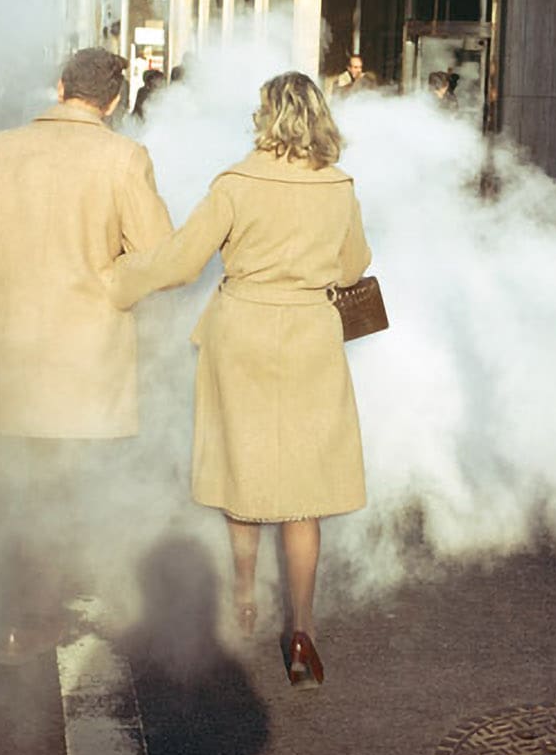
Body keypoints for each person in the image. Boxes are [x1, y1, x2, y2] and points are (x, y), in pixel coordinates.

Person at [107, 72, 371, 688]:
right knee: (304, 492)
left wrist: (116, 280)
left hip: (242, 332)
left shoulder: (234, 183)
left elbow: (179, 261)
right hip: (310, 334)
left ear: (266, 116)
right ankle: (302, 630)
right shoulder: (339, 186)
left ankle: (246, 597)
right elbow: (354, 264)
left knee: (240, 464)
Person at [0, 47, 174, 659]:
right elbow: (161, 258)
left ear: (58, 87)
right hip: (89, 351)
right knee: (80, 484)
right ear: (116, 101)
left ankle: (28, 616)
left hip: (17, 350)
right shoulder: (125, 156)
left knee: (28, 483)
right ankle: (73, 604)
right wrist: (114, 285)